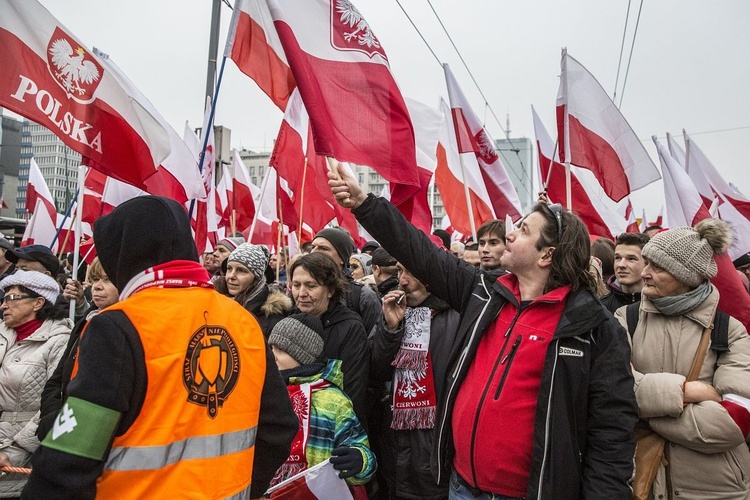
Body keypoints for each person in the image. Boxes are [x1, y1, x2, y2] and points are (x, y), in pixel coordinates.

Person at [328, 164, 638, 499]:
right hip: (461, 486)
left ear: (547, 254)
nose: (510, 234)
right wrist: (364, 203)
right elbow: (420, 251)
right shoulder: (484, 294)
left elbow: (612, 435)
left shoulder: (594, 328)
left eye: (523, 230)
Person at [23, 196, 297, 499]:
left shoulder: (117, 325)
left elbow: (70, 456)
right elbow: (278, 427)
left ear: (123, 255)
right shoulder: (243, 321)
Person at [614, 220, 750, 499]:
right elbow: (614, 392)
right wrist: (687, 392)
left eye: (657, 267)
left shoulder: (730, 331)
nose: (645, 273)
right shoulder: (625, 320)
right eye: (647, 263)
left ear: (686, 275)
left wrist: (646, 412)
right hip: (641, 483)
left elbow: (735, 423)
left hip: (715, 489)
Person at [371, 262, 459, 499]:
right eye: (400, 271)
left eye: (413, 271)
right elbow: (375, 371)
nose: (403, 280)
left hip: (439, 453)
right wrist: (390, 329)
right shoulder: (393, 310)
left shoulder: (459, 314)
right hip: (396, 448)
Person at [268, 314, 376, 489]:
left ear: (302, 355)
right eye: (271, 348)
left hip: (317, 491)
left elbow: (359, 447)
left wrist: (360, 461)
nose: (273, 356)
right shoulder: (267, 394)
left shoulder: (333, 400)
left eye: (280, 349)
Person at [0, 270, 72, 497]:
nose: (3, 306)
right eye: (3, 299)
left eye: (11, 298)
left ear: (38, 303)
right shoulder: (2, 333)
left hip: (22, 450)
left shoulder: (59, 341)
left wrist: (15, 450)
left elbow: (56, 401)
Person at [37, 258, 119, 441]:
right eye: (95, 279)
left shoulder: (122, 328)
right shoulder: (87, 320)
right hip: (63, 424)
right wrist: (52, 418)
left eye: (107, 280)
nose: (97, 286)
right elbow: (57, 379)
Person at [288, 253, 369, 426]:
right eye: (296, 285)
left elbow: (353, 390)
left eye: (311, 286)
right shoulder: (287, 322)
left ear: (330, 290)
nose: (301, 293)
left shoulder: (350, 327)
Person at [312, 227, 381, 334]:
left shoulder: (362, 296)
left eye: (323, 248)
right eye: (313, 247)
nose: (314, 252)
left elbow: (374, 342)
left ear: (341, 258)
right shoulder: (300, 290)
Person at [214, 243, 292, 337]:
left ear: (256, 278)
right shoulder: (215, 303)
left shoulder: (272, 319)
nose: (231, 276)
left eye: (241, 270)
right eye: (229, 268)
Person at [600, 232, 649, 313]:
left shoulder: (663, 305)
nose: (621, 265)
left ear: (647, 263)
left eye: (631, 259)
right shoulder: (601, 308)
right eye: (618, 258)